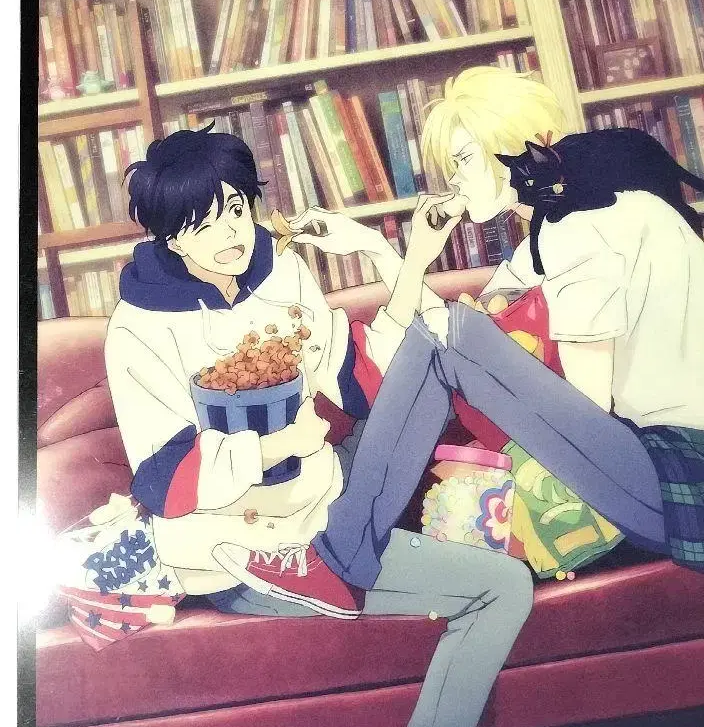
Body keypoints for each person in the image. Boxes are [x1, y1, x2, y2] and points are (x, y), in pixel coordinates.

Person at [302, 65, 704, 674]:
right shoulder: (554, 229)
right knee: (449, 335)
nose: (456, 182)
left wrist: (487, 371)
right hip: (652, 464)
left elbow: (581, 399)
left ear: (518, 145)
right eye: (451, 168)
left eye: (465, 160)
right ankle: (346, 544)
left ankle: (340, 551)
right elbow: (459, 346)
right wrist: (381, 250)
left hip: (685, 472)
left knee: (452, 335)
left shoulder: (587, 223)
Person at [107, 124, 540, 727]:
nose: (230, 234)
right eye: (203, 225)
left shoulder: (280, 272)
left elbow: (354, 381)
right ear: (171, 238)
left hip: (323, 523)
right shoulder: (138, 328)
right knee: (502, 588)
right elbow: (163, 477)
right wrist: (281, 443)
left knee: (436, 358)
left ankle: (345, 546)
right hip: (239, 553)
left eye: (235, 211)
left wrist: (408, 257)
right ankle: (343, 549)